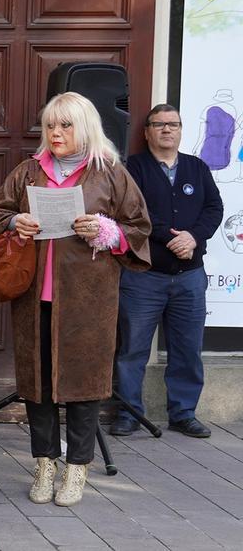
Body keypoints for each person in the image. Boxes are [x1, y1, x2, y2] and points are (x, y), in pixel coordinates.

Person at [0, 92, 150, 507]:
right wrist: (14, 221)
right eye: (51, 126)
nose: (56, 133)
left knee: (84, 386)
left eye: (65, 125)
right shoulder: (27, 172)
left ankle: (77, 469)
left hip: (87, 301)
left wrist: (106, 231)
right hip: (34, 297)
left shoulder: (110, 174)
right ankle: (44, 464)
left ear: (86, 128)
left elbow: (139, 227)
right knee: (37, 387)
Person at [112, 104, 223, 438]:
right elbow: (131, 213)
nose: (166, 130)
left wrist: (194, 236)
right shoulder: (133, 168)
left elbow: (214, 208)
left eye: (172, 124)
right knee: (132, 349)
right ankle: (129, 413)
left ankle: (183, 413)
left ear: (180, 130)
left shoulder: (197, 167)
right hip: (144, 276)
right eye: (158, 124)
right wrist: (168, 237)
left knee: (187, 348)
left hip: (189, 277)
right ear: (146, 132)